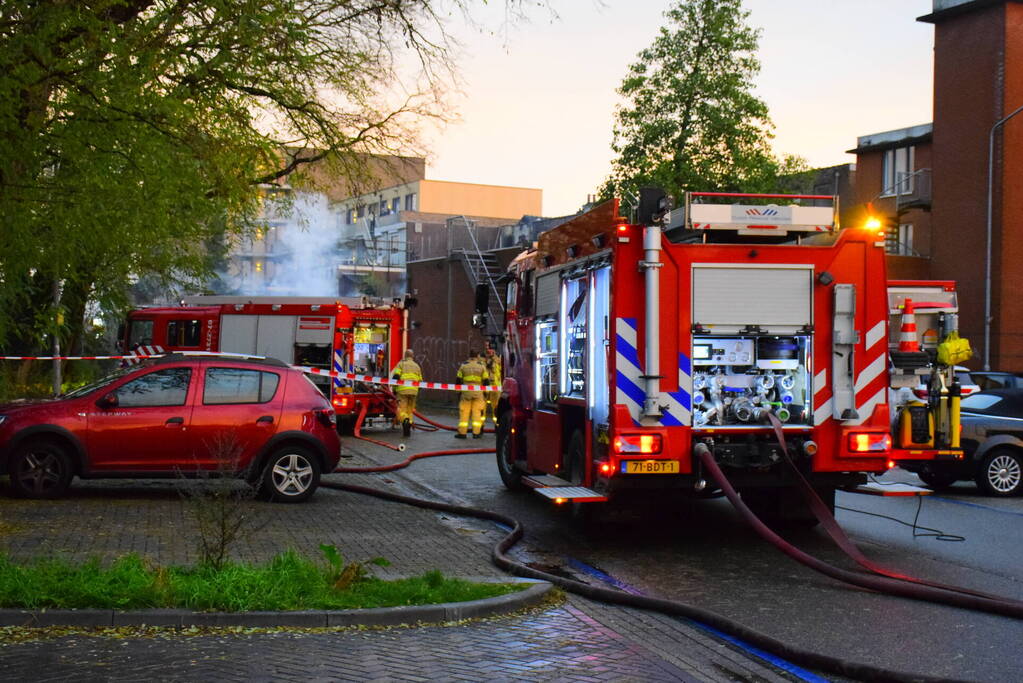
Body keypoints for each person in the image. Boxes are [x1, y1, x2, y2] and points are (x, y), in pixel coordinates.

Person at [455, 350, 489, 439]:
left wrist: (458, 393)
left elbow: (458, 380)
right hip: (478, 393)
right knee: (477, 413)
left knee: (464, 413)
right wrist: (486, 393)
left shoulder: (464, 365)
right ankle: (476, 433)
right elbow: (486, 381)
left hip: (466, 393)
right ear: (477, 356)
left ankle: (462, 433)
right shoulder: (481, 366)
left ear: (469, 355)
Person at [391, 349, 422, 438]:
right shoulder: (417, 366)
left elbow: (396, 377)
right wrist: (416, 391)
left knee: (401, 410)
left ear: (405, 355)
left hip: (403, 391)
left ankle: (405, 421)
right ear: (412, 356)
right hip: (414, 392)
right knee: (410, 410)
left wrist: (394, 389)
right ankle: (407, 429)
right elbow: (420, 381)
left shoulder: (401, 364)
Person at [484, 343, 502, 425]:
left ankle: (497, 427)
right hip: (485, 387)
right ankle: (479, 428)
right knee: (481, 408)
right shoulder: (482, 359)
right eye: (486, 346)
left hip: (495, 387)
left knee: (496, 408)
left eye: (489, 347)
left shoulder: (499, 359)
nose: (488, 349)